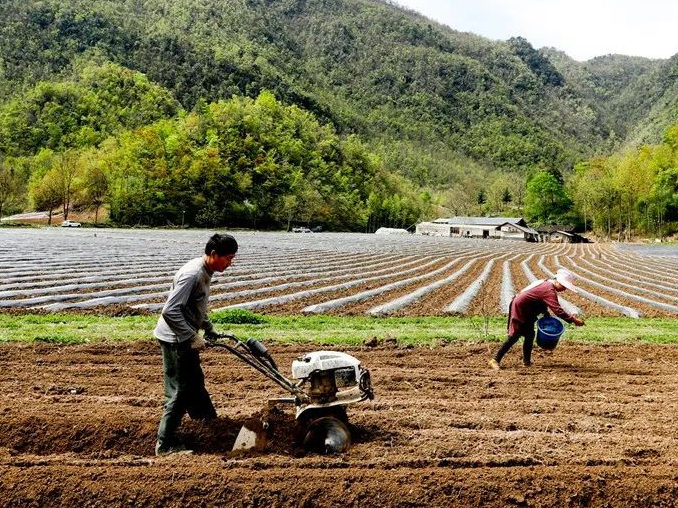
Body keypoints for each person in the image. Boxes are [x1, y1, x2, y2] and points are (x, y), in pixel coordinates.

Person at [154, 233, 238, 456]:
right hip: (175, 340)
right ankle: (165, 444)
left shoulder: (205, 272)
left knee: (196, 384)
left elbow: (194, 305)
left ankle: (209, 426)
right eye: (228, 258)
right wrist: (191, 336)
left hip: (183, 336)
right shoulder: (192, 274)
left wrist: (208, 327)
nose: (230, 263)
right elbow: (170, 310)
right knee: (180, 390)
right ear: (213, 254)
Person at [489, 268, 585, 370]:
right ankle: (495, 359)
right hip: (520, 309)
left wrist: (545, 313)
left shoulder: (546, 284)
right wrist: (574, 320)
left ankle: (527, 362)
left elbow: (540, 299)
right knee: (515, 335)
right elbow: (558, 310)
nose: (564, 289)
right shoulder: (549, 289)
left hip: (528, 310)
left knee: (530, 335)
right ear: (558, 281)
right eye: (564, 286)